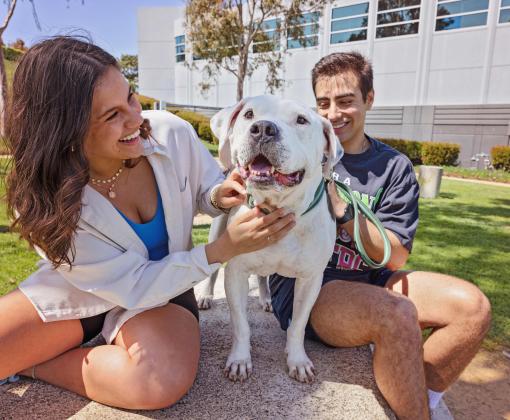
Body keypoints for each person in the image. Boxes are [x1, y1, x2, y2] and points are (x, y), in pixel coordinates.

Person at [0, 36, 295, 410]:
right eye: (112, 116)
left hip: (166, 289)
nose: (137, 120)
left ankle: (37, 365)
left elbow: (204, 187)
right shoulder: (44, 203)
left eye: (131, 97)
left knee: (156, 380)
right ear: (66, 135)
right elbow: (130, 283)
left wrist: (219, 196)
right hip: (81, 293)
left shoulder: (170, 132)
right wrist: (223, 249)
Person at [269, 52, 491, 419]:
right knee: (397, 315)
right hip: (311, 284)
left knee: (473, 308)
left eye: (345, 101)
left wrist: (342, 208)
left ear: (369, 99)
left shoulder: (395, 166)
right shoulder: (302, 149)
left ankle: (425, 399)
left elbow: (395, 257)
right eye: (323, 103)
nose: (332, 113)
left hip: (374, 276)